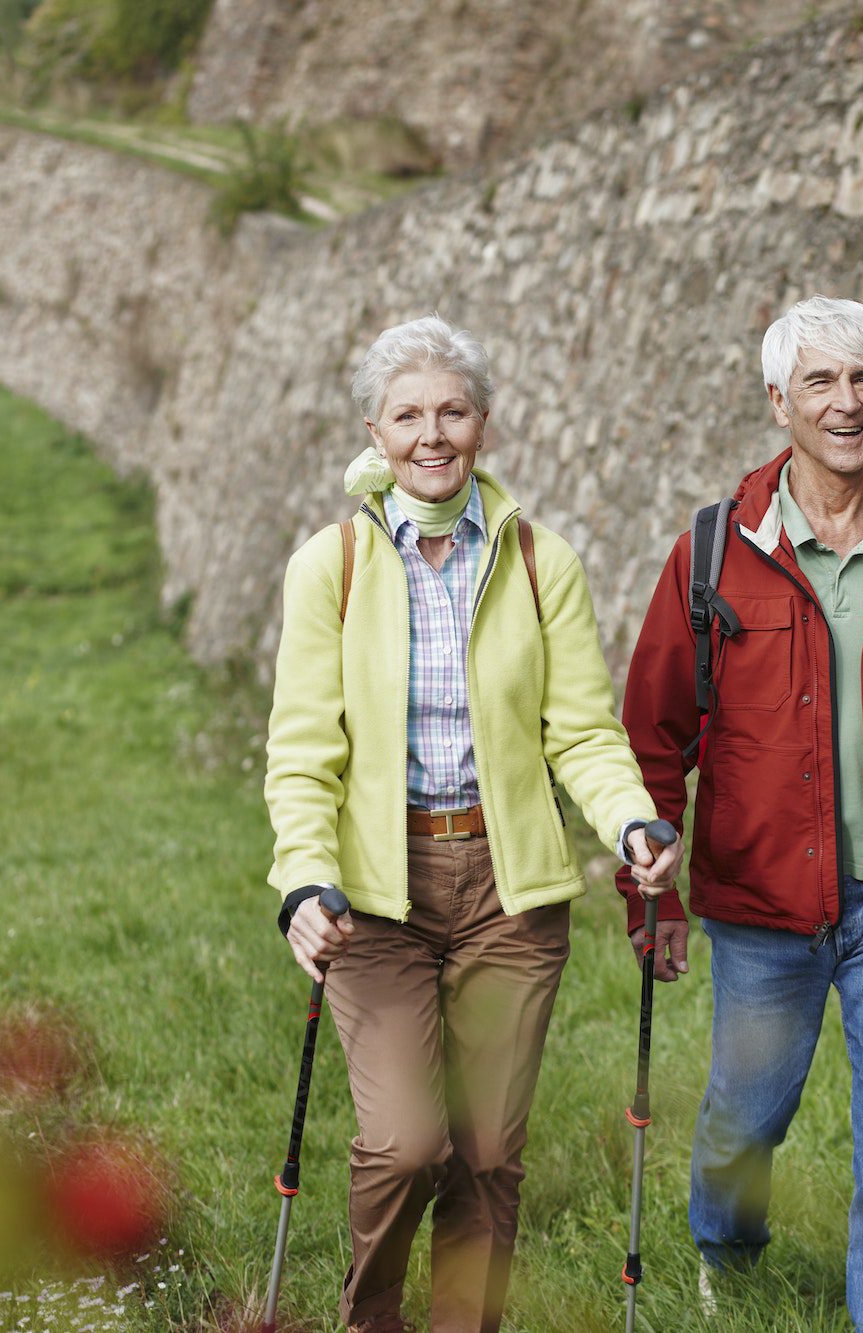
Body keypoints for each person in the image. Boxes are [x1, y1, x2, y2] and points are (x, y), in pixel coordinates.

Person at [264, 314, 681, 1333]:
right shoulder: (334, 567)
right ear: (375, 429)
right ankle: (370, 1321)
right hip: (374, 895)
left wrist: (630, 822)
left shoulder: (542, 561)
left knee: (489, 1152)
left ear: (483, 424)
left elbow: (581, 730)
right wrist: (301, 884)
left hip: (509, 891)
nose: (431, 433)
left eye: (451, 410)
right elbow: (302, 752)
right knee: (407, 1142)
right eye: (408, 414)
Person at [616, 296, 863, 1332]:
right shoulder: (713, 551)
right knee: (744, 1121)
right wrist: (645, 894)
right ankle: (725, 1252)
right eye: (821, 383)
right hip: (761, 898)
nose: (846, 404)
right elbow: (653, 733)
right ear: (777, 400)